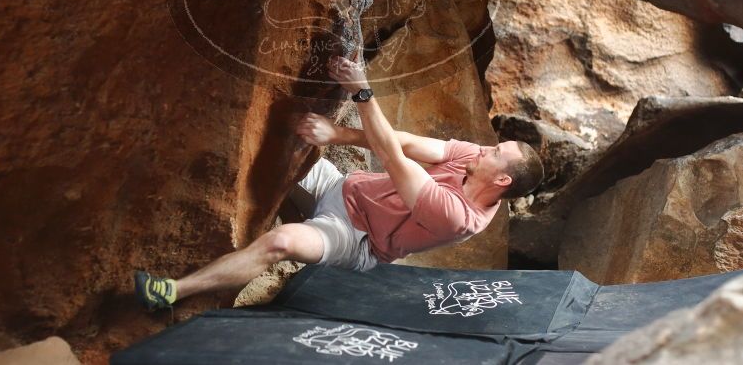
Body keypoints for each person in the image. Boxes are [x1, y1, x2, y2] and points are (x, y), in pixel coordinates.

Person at [134, 56, 544, 311]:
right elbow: (406, 142)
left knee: (281, 244)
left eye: (495, 152)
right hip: (344, 187)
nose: (485, 148)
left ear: (502, 179)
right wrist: (335, 135)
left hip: (355, 236)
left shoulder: (458, 218)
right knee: (282, 140)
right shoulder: (474, 159)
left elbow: (392, 156)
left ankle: (170, 292)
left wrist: (363, 93)